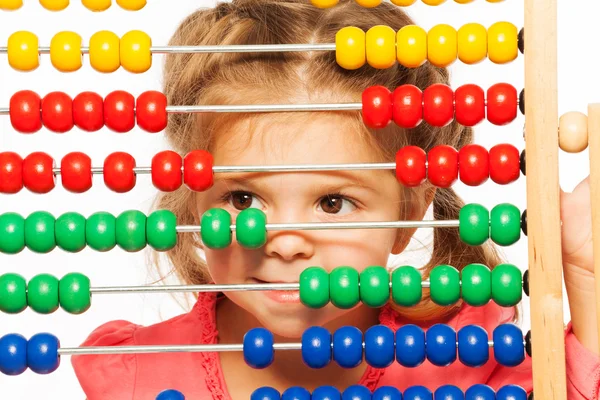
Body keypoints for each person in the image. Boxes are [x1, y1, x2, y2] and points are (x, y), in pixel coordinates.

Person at [72, 1, 600, 398]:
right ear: (192, 201)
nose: (283, 243)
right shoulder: (138, 375)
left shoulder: (469, 354)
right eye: (242, 199)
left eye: (332, 202)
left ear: (408, 212)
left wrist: (586, 277)